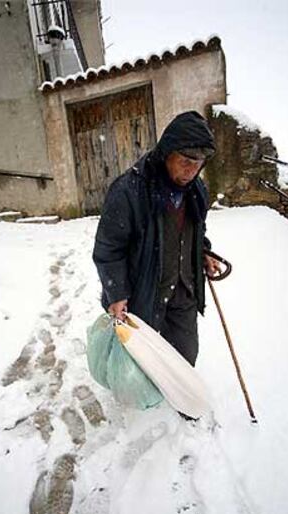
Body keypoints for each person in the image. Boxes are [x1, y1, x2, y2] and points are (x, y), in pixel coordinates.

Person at [92, 110, 220, 367]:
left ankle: (180, 403)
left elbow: (196, 230)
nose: (192, 170)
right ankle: (142, 404)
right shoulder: (129, 191)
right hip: (144, 293)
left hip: (184, 290)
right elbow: (109, 248)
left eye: (199, 163)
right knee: (140, 362)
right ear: (167, 152)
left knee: (184, 358)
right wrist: (116, 292)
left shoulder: (197, 191)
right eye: (185, 160)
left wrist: (204, 251)